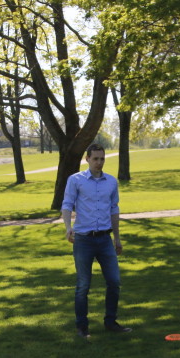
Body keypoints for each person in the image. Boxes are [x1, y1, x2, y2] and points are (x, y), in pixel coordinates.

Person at [61, 144, 131, 339]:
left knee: (114, 282)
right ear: (87, 159)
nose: (99, 162)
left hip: (105, 240)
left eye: (102, 159)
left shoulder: (111, 182)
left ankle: (110, 322)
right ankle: (82, 326)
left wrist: (117, 238)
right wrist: (68, 228)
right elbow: (67, 205)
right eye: (95, 159)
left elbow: (114, 210)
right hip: (83, 240)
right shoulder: (76, 180)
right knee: (84, 285)